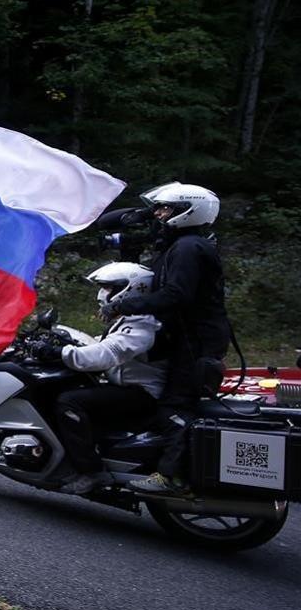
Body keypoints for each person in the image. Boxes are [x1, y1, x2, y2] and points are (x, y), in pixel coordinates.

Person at [102, 183, 229, 495]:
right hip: (187, 338)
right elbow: (108, 224)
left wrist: (123, 305)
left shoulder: (188, 248)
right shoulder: (182, 243)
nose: (158, 214)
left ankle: (172, 476)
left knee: (174, 406)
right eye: (159, 208)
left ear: (189, 211)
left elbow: (176, 294)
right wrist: (146, 212)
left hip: (196, 343)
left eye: (166, 208)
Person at [32, 262, 168, 494]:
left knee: (69, 402)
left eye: (108, 288)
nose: (101, 294)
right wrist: (66, 341)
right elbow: (101, 343)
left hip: (142, 394)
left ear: (132, 289)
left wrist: (61, 353)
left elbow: (110, 352)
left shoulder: (143, 324)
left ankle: (91, 472)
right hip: (127, 387)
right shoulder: (131, 318)